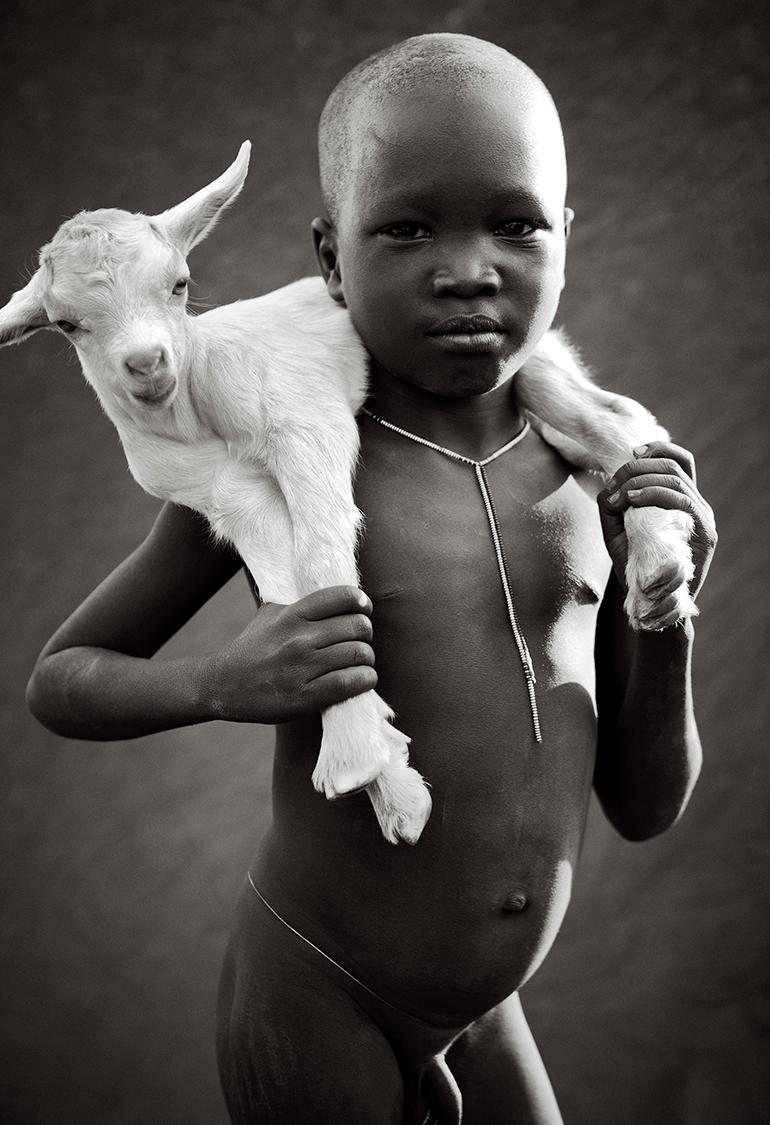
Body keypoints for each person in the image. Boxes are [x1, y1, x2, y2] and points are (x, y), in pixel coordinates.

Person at [26, 32, 717, 1125]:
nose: (464, 268)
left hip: (488, 1013)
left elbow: (644, 805)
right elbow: (61, 680)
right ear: (328, 256)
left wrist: (665, 615)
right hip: (314, 992)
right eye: (403, 228)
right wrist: (219, 683)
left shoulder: (601, 470)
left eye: (514, 225)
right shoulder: (266, 456)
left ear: (564, 242)